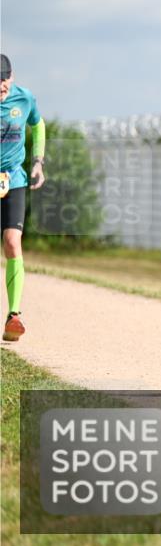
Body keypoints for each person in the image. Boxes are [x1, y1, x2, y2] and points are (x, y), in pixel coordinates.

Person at [1, 54, 46, 341]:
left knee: (12, 241)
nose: (0, 87)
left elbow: (38, 125)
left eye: (3, 80)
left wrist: (38, 162)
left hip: (13, 179)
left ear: (11, 75)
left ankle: (13, 315)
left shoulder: (23, 98)